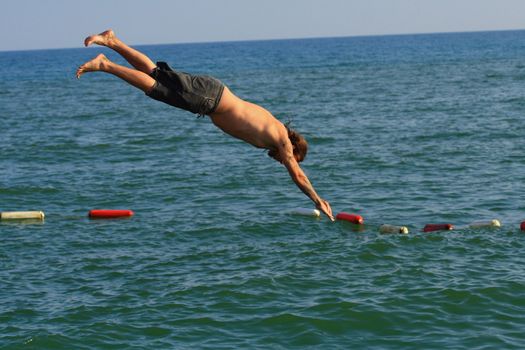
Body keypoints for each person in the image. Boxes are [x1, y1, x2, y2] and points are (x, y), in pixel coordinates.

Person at [76, 30, 334, 221]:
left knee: (156, 74)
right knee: (155, 88)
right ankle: (105, 64)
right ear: (294, 149)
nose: (284, 161)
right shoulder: (282, 141)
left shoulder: (274, 130)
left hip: (212, 96)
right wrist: (317, 199)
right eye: (290, 159)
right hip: (211, 99)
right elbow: (297, 175)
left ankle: (112, 41)